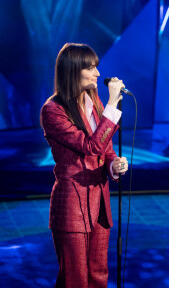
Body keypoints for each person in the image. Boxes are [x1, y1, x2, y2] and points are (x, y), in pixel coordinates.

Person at [40, 43, 128, 287]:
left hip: (99, 204)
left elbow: (105, 150)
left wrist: (114, 165)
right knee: (75, 280)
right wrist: (112, 104)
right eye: (91, 68)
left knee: (98, 276)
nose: (98, 74)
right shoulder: (53, 111)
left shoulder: (95, 101)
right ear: (73, 70)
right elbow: (90, 146)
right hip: (73, 207)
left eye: (96, 67)